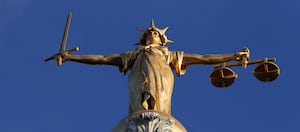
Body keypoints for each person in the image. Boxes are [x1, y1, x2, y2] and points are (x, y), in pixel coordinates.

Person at [59, 20, 249, 115]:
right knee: (140, 112)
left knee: (160, 113)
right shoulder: (134, 55)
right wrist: (71, 58)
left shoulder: (168, 55)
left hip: (163, 80)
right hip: (139, 80)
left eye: (155, 32)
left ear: (162, 39)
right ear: (142, 39)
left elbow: (203, 58)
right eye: (149, 32)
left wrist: (233, 55)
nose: (152, 33)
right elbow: (102, 58)